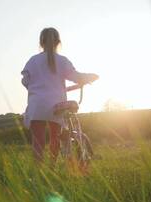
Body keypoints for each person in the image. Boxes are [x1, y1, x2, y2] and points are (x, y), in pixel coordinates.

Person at [21, 27, 98, 162]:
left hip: (37, 105)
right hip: (56, 105)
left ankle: (38, 173)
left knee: (38, 142)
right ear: (58, 42)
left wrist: (35, 88)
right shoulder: (62, 61)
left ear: (41, 42)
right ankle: (52, 170)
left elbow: (25, 80)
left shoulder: (32, 60)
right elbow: (76, 77)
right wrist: (90, 77)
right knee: (55, 138)